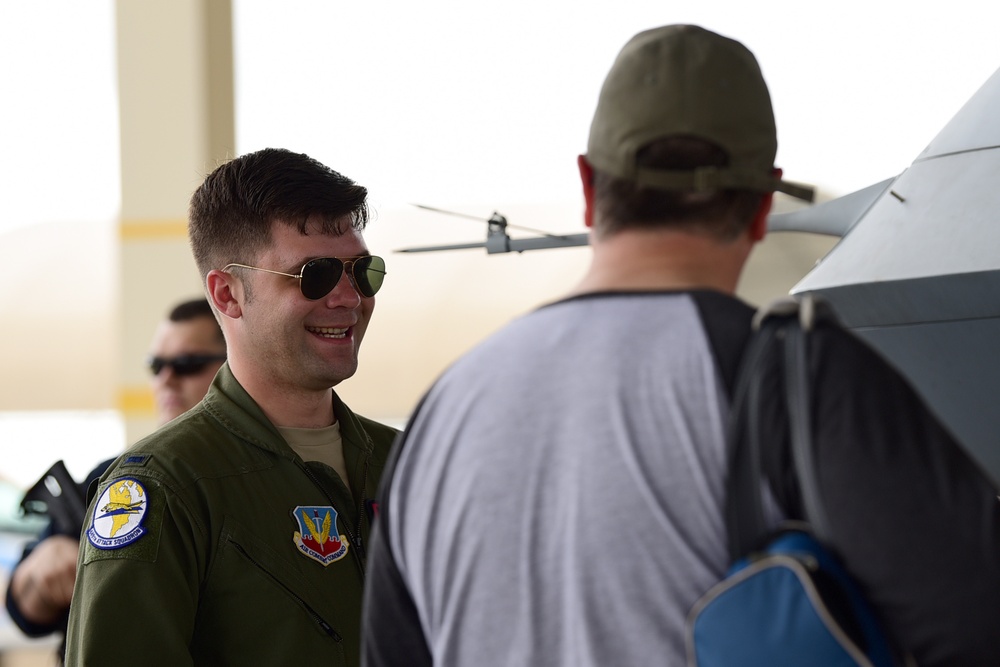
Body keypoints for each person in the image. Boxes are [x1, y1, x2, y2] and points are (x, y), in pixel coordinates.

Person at [361, 25, 1000, 667]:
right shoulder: (803, 376)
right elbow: (974, 624)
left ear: (589, 188)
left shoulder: (442, 413)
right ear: (760, 203)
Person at [64, 148, 397, 667]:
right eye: (316, 274)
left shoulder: (410, 463)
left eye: (362, 271)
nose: (349, 297)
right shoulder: (165, 489)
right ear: (228, 295)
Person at [5, 298, 225, 660]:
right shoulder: (115, 476)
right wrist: (43, 567)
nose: (165, 379)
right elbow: (25, 613)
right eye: (156, 365)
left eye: (187, 364)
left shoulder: (260, 474)